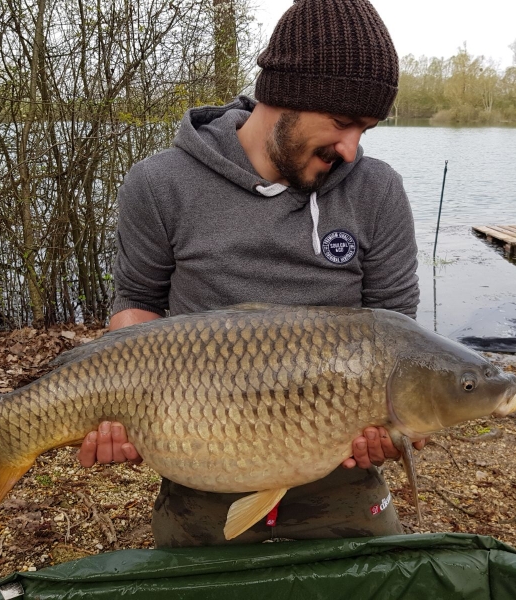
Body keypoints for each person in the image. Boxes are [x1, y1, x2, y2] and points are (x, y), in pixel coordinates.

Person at [77, 0, 422, 547]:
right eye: (342, 122)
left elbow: (397, 332)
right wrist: (113, 408)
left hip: (340, 474)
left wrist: (392, 425)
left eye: (367, 128)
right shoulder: (159, 184)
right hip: (201, 458)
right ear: (280, 96)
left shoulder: (377, 191)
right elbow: (138, 306)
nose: (352, 150)